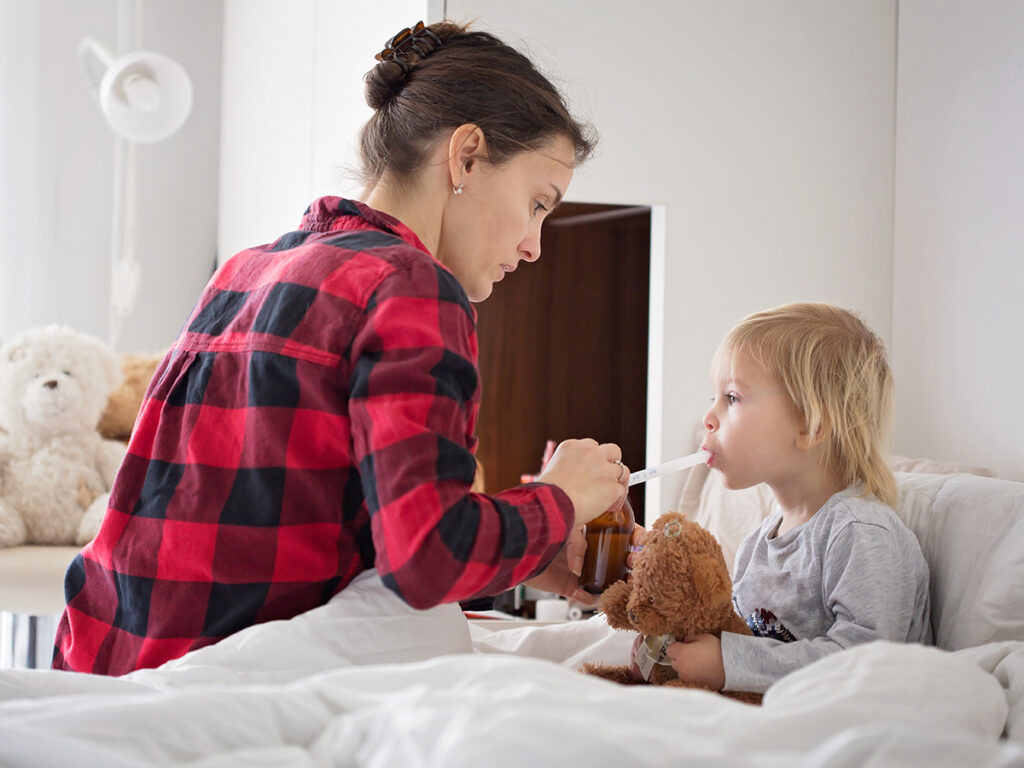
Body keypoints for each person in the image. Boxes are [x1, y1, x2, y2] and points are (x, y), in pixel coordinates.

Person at [53, 20, 629, 675]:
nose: (534, 244)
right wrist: (561, 497)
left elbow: (329, 526)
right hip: (216, 681)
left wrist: (532, 548)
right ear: (466, 155)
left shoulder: (247, 268)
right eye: (536, 204)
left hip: (101, 655)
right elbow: (426, 558)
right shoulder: (412, 287)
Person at [661, 302, 931, 694]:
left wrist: (728, 662)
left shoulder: (860, 534)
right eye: (713, 398)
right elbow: (742, 636)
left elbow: (864, 663)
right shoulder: (758, 544)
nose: (709, 416)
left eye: (732, 398)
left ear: (810, 424)